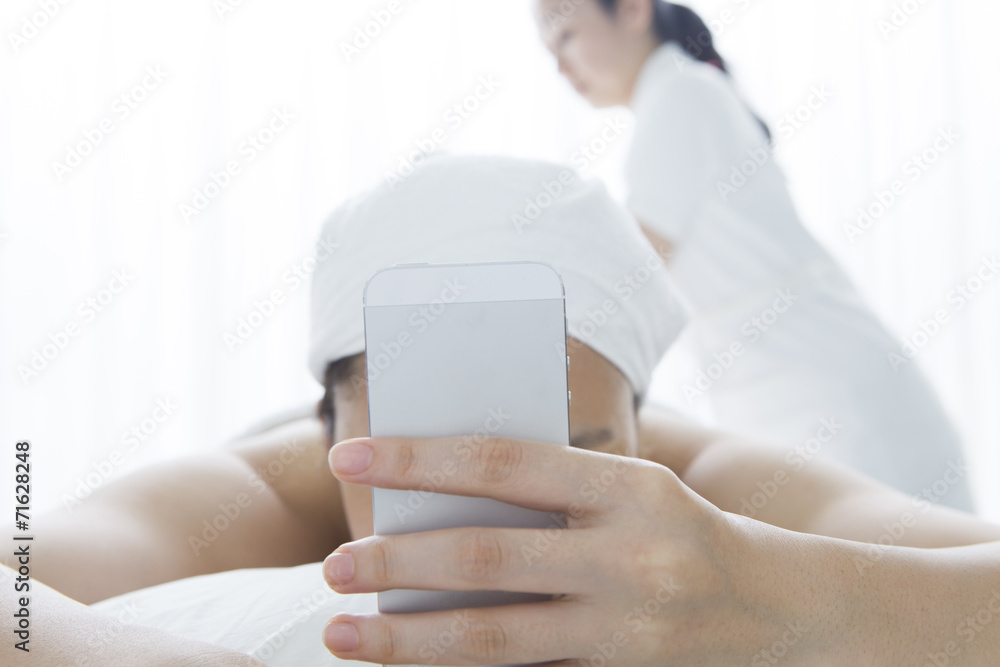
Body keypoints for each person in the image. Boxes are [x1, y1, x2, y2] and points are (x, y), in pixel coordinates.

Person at [4, 157, 999, 666]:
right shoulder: (259, 489)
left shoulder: (705, 481)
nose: (505, 511)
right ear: (329, 429)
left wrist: (783, 592)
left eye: (582, 448)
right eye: (421, 459)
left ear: (643, 426)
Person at [533, 0, 975, 511]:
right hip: (807, 403)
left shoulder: (681, 95)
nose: (559, 67)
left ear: (632, 10)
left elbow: (628, 275)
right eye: (547, 51)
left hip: (842, 407)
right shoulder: (680, 95)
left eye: (565, 35)